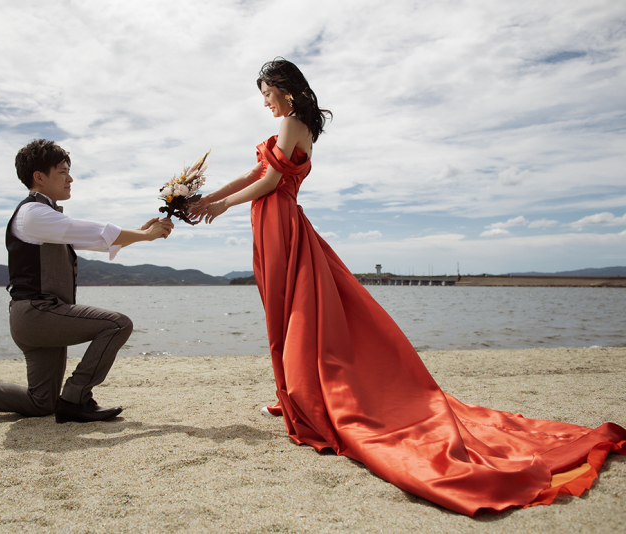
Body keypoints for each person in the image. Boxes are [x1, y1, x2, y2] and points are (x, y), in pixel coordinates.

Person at [189, 58, 625, 516]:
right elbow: (252, 173)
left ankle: (303, 394)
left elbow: (272, 181)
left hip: (280, 223)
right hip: (272, 223)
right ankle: (295, 392)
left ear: (287, 91)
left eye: (267, 93)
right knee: (282, 310)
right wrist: (207, 199)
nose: (264, 101)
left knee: (292, 311)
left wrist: (222, 209)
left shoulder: (296, 125)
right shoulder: (288, 127)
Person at [0, 139, 174, 424]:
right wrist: (144, 235)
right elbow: (92, 231)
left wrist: (140, 233)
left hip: (38, 319)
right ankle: (76, 397)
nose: (70, 178)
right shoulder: (33, 213)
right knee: (117, 324)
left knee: (41, 402)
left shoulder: (44, 216)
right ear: (39, 177)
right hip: (38, 315)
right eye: (62, 171)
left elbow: (95, 240)